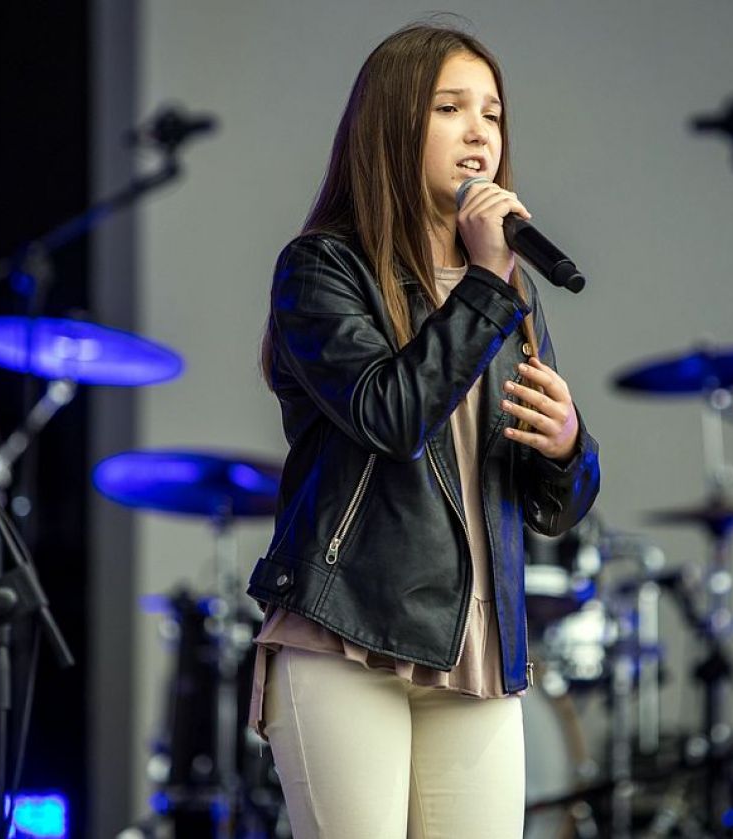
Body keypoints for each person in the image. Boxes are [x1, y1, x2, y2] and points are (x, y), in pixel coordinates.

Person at [245, 23, 601, 839]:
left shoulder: (507, 295)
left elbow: (549, 507)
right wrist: (485, 283)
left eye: (493, 114)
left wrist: (566, 447)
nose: (480, 132)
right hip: (349, 631)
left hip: (476, 646)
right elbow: (391, 414)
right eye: (450, 108)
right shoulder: (323, 268)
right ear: (393, 124)